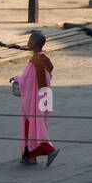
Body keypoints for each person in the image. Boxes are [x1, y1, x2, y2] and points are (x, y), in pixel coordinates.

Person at [11, 30, 58, 166]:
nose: (28, 43)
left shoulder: (35, 61)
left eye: (30, 41)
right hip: (45, 96)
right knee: (38, 125)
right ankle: (31, 157)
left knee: (32, 126)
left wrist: (16, 79)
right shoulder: (45, 59)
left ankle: (49, 150)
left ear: (36, 44)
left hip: (36, 99)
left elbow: (27, 80)